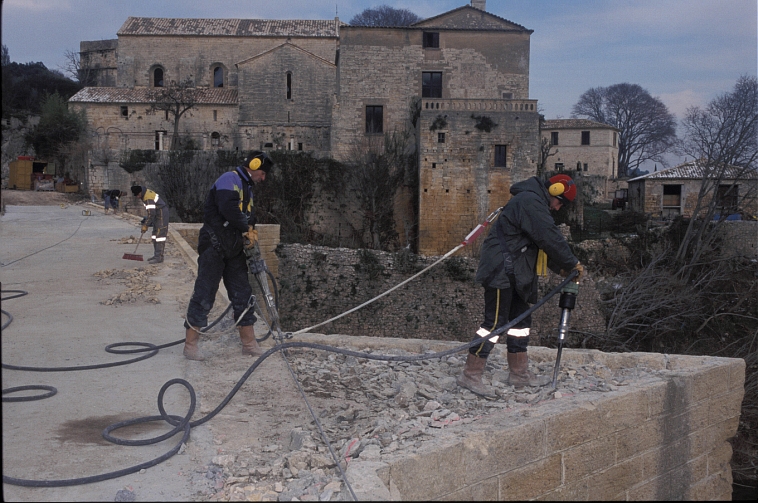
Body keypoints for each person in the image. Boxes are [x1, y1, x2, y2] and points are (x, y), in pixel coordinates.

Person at [457, 174, 586, 396]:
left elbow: (538, 244)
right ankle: (470, 374)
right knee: (494, 323)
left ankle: (519, 374)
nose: (557, 208)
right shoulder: (530, 202)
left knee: (520, 323)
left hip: (516, 272)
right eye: (560, 203)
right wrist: (571, 262)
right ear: (554, 191)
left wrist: (563, 269)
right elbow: (548, 237)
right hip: (501, 271)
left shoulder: (534, 203)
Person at [183, 151, 273, 361]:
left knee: (243, 294)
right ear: (254, 165)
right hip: (214, 245)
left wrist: (251, 230)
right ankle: (190, 346)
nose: (263, 178)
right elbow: (228, 208)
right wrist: (246, 227)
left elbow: (248, 215)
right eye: (262, 173)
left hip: (234, 248)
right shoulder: (229, 179)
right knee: (205, 293)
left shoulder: (247, 189)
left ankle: (249, 344)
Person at [131, 184, 169, 264]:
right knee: (154, 235)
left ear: (140, 192)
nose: (137, 197)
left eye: (137, 195)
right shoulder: (145, 194)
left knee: (159, 236)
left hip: (162, 214)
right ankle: (156, 255)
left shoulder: (148, 197)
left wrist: (146, 225)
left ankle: (159, 257)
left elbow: (151, 213)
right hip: (157, 214)